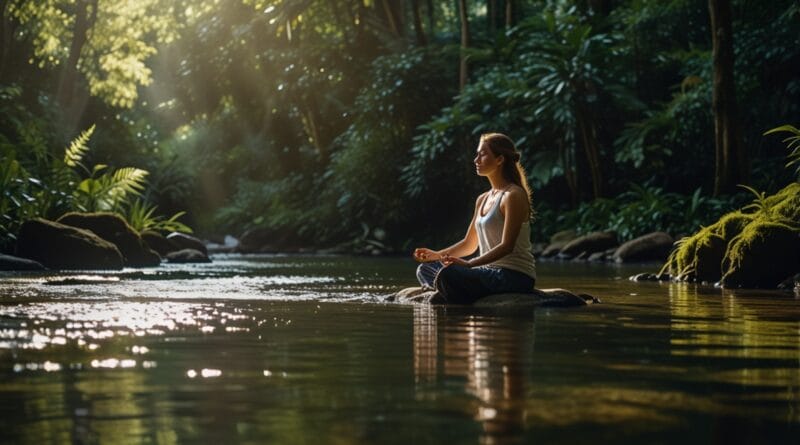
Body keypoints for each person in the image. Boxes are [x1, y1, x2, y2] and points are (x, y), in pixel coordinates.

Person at [413, 133, 537, 304]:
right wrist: (437, 255)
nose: (476, 159)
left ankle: (443, 291)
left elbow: (507, 246)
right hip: (485, 271)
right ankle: (444, 289)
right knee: (425, 269)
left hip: (513, 275)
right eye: (477, 154)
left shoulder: (513, 195)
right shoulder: (483, 199)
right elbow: (469, 244)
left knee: (449, 273)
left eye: (482, 154)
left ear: (500, 159)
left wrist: (469, 265)